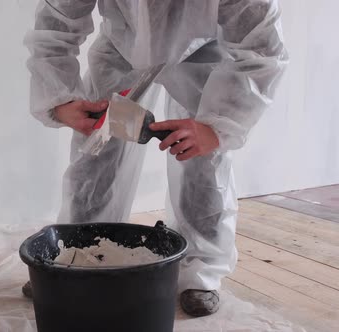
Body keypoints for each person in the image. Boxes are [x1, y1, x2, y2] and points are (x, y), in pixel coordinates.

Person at [24, 0, 288, 317]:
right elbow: (57, 18)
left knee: (201, 159)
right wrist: (59, 97)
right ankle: (78, 254)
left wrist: (217, 127)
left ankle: (200, 274)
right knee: (97, 151)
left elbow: (263, 50)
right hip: (122, 48)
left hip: (202, 53)